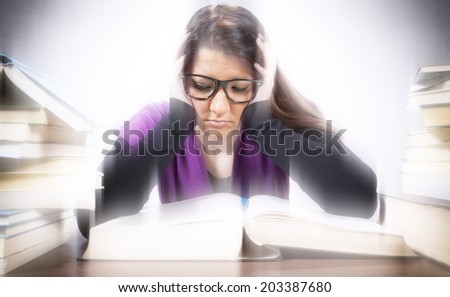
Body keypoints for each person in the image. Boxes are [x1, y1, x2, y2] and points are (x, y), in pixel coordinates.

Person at [78, 4, 378, 236]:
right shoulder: (159, 121)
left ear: (261, 81)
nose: (219, 107)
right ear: (180, 78)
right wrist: (176, 119)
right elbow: (91, 218)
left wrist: (263, 124)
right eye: (202, 86)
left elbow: (361, 203)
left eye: (238, 88)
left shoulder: (278, 123)